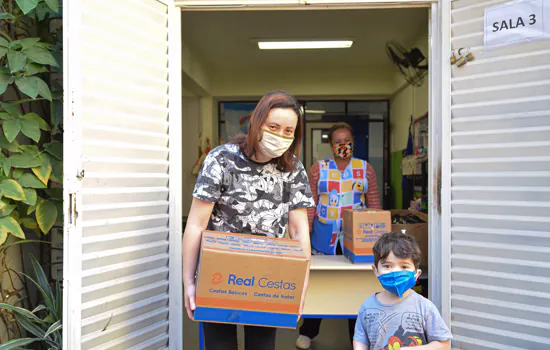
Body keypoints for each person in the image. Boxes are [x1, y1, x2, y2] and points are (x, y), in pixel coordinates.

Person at [182, 90, 315, 350]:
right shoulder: (222, 159)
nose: (280, 136)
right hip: (219, 272)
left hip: (269, 276)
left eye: (289, 131)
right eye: (273, 127)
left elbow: (299, 230)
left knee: (262, 346)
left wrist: (301, 286)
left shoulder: (293, 168)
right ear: (256, 123)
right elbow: (196, 224)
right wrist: (188, 281)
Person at [296, 122, 381, 350]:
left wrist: (378, 240)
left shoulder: (365, 169)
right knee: (320, 285)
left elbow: (374, 206)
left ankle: (358, 338)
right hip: (324, 237)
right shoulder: (318, 169)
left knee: (357, 290)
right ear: (331, 145)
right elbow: (310, 205)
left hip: (356, 239)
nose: (343, 145)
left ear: (353, 140)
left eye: (347, 141)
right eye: (338, 142)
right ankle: (308, 332)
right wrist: (304, 236)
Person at [353, 232, 452, 350]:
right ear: (375, 270)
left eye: (404, 267)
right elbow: (360, 340)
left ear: (416, 274)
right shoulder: (367, 307)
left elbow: (444, 344)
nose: (395, 272)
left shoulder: (424, 307)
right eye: (387, 266)